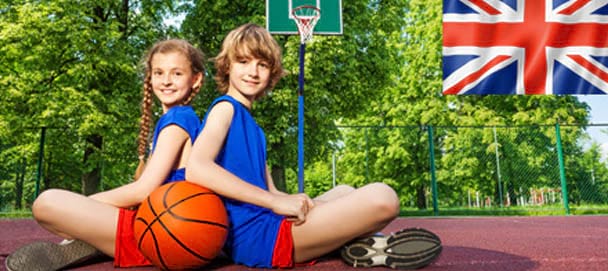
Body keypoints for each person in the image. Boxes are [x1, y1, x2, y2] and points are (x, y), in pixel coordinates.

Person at [185, 23, 442, 269]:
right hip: (258, 237)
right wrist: (273, 202)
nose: (253, 71)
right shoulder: (224, 108)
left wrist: (291, 200)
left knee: (344, 191)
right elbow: (197, 168)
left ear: (271, 73)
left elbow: (271, 190)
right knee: (383, 197)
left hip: (267, 222)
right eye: (243, 61)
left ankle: (353, 245)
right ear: (227, 66)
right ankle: (353, 242)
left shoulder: (255, 129)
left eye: (262, 65)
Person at [5, 38, 205, 271]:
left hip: (161, 232)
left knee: (45, 203)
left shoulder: (178, 120)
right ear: (149, 77)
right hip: (160, 226)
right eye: (159, 73)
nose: (167, 81)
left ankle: (96, 237)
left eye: (177, 73)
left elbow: (144, 190)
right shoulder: (183, 118)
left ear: (196, 79)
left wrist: (84, 206)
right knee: (62, 207)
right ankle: (97, 237)